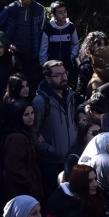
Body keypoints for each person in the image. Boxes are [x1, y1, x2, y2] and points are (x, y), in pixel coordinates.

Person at [32, 59, 78, 188]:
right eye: (58, 75)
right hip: (51, 164)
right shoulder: (41, 101)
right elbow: (33, 131)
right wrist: (50, 149)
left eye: (64, 73)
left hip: (71, 159)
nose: (63, 77)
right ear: (48, 78)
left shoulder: (70, 95)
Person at [0, 0, 47, 82]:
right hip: (13, 52)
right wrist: (5, 43)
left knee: (28, 79)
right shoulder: (11, 8)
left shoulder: (39, 9)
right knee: (13, 79)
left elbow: (40, 28)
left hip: (31, 52)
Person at [0, 100, 44, 202]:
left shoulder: (23, 132)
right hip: (22, 192)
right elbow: (14, 167)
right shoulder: (16, 138)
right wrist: (29, 183)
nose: (31, 117)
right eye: (26, 114)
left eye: (32, 113)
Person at [41, 2, 79, 70]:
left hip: (67, 64)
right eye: (60, 12)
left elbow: (75, 44)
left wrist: (71, 57)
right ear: (53, 15)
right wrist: (43, 63)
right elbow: (44, 47)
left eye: (65, 11)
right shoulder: (48, 28)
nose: (63, 14)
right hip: (52, 65)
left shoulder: (70, 27)